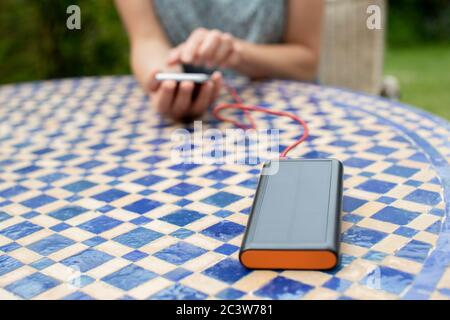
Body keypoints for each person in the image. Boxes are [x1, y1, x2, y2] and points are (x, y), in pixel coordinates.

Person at [115, 0, 324, 121]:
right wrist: (168, 80)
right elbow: (146, 40)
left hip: (289, 113)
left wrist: (237, 53)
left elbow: (306, 60)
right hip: (188, 128)